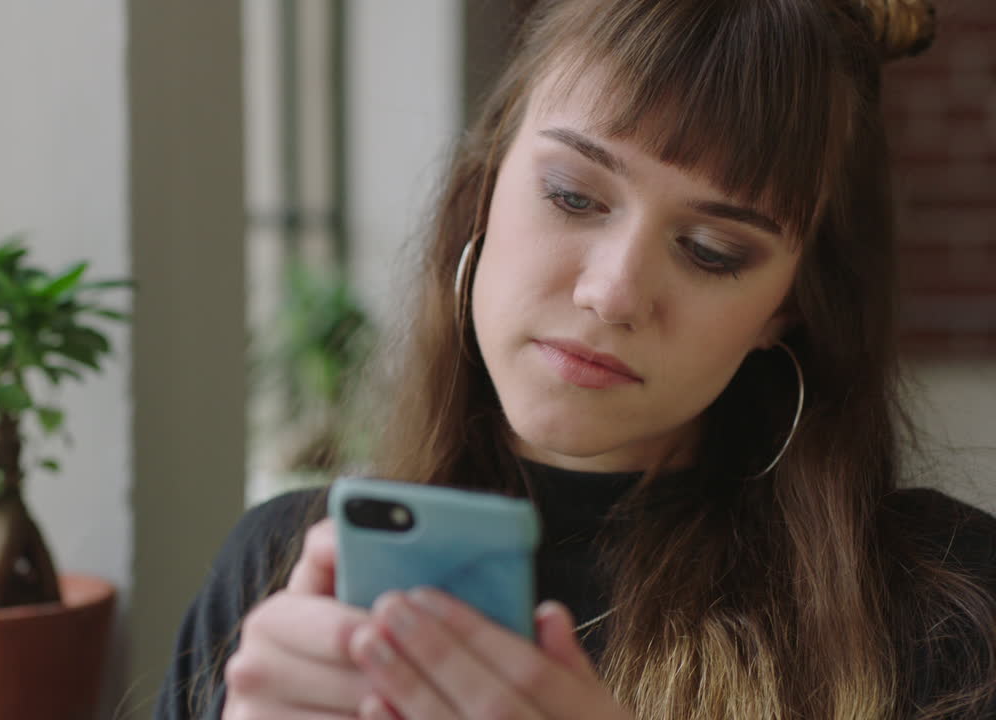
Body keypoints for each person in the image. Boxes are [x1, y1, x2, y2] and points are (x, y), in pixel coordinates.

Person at [155, 0, 996, 717]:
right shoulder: (282, 576)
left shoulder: (944, 612)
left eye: (710, 251)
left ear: (787, 308)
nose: (613, 292)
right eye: (572, 197)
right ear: (482, 193)